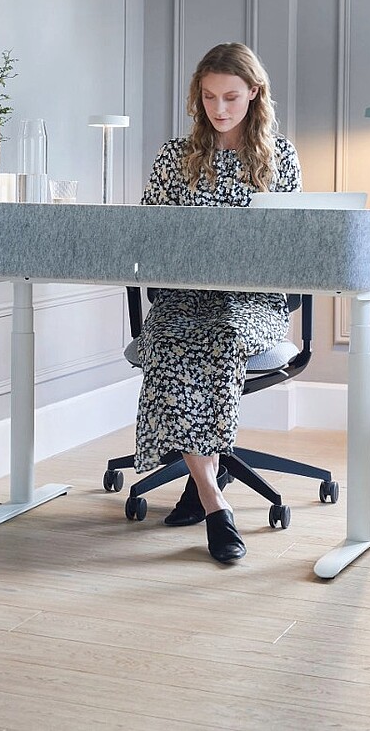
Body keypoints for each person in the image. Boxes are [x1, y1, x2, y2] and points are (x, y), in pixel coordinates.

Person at [134, 42, 301, 562]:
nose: (219, 108)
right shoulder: (175, 157)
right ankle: (214, 498)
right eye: (209, 97)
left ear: (254, 93)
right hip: (184, 295)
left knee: (221, 335)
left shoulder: (280, 158)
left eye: (231, 96)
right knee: (172, 337)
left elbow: (293, 242)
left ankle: (203, 487)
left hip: (251, 301)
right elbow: (146, 235)